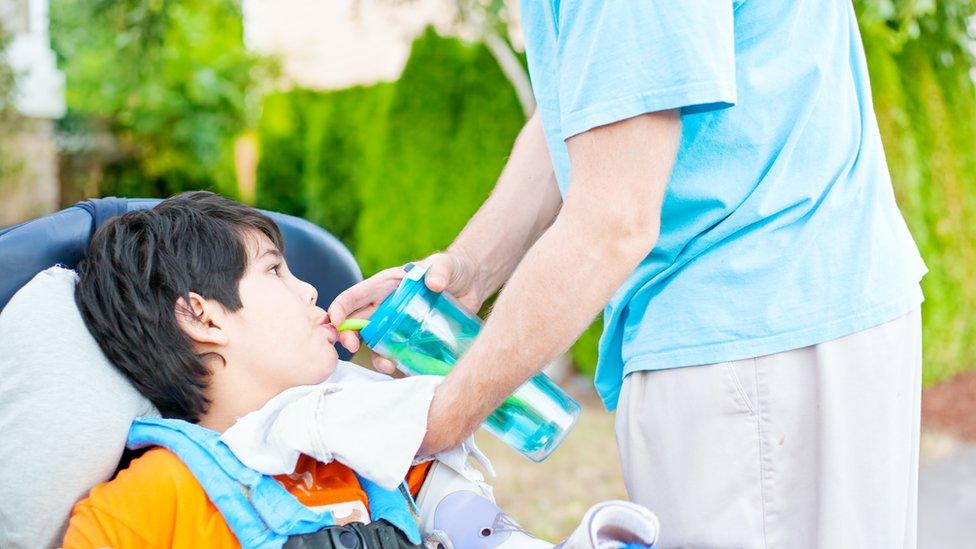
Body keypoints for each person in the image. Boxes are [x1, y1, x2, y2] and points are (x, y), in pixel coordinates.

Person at [328, 1, 927, 547]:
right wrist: (470, 270)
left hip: (753, 338)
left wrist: (438, 421)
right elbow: (592, 103)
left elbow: (612, 222)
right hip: (785, 313)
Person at [63, 191, 659, 548]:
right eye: (274, 271)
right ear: (202, 316)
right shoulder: (152, 501)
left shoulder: (369, 460)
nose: (310, 289)